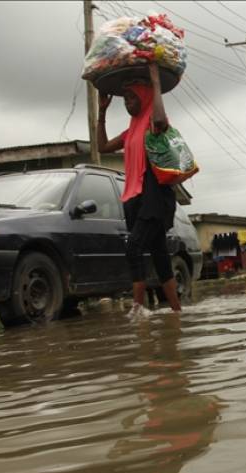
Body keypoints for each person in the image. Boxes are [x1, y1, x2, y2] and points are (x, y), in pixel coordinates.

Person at [98, 62, 181, 316]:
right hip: (134, 198)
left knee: (133, 247)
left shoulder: (153, 123)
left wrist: (155, 83)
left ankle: (138, 309)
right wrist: (102, 112)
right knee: (159, 256)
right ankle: (177, 312)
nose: (127, 103)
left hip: (154, 198)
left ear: (144, 98)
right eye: (125, 100)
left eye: (132, 98)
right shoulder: (130, 130)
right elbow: (102, 147)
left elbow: (159, 118)